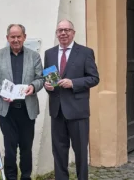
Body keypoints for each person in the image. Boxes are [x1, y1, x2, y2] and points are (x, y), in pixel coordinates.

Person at [43, 20, 99, 180]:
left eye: (67, 30)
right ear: (56, 33)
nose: (63, 33)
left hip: (78, 111)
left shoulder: (85, 52)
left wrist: (73, 83)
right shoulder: (50, 53)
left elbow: (94, 78)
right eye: (60, 30)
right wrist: (47, 86)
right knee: (59, 152)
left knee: (81, 152)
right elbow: (47, 78)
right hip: (57, 111)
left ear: (73, 33)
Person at [0, 24, 44, 180]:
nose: (16, 40)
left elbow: (40, 78)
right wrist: (0, 91)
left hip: (27, 109)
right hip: (7, 110)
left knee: (26, 148)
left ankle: (26, 177)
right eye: (12, 37)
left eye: (19, 36)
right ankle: (11, 177)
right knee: (10, 149)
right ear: (7, 38)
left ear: (24, 37)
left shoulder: (34, 56)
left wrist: (33, 86)